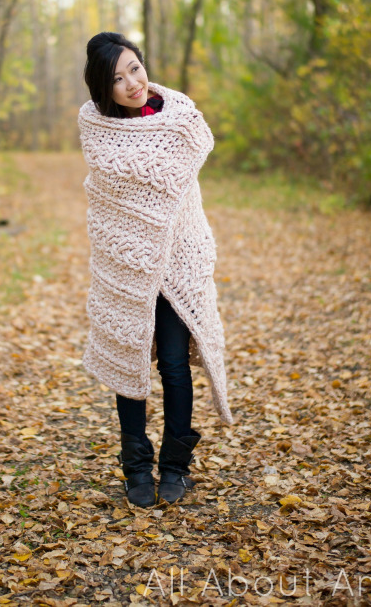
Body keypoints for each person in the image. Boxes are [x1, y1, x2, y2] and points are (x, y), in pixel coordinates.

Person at [78, 31, 233, 508]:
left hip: (178, 265)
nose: (132, 83)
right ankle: (136, 466)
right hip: (127, 266)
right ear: (103, 90)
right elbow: (111, 205)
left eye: (135, 69)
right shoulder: (97, 130)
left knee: (172, 364)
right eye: (118, 78)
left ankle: (175, 466)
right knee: (129, 363)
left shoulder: (179, 120)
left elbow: (181, 203)